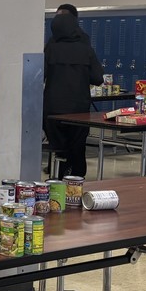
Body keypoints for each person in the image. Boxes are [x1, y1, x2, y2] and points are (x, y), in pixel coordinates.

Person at [43, 11, 104, 178]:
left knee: (58, 149)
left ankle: (58, 179)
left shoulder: (51, 49)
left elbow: (40, 75)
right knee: (77, 148)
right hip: (79, 110)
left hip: (53, 110)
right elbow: (98, 78)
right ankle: (76, 184)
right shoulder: (86, 50)